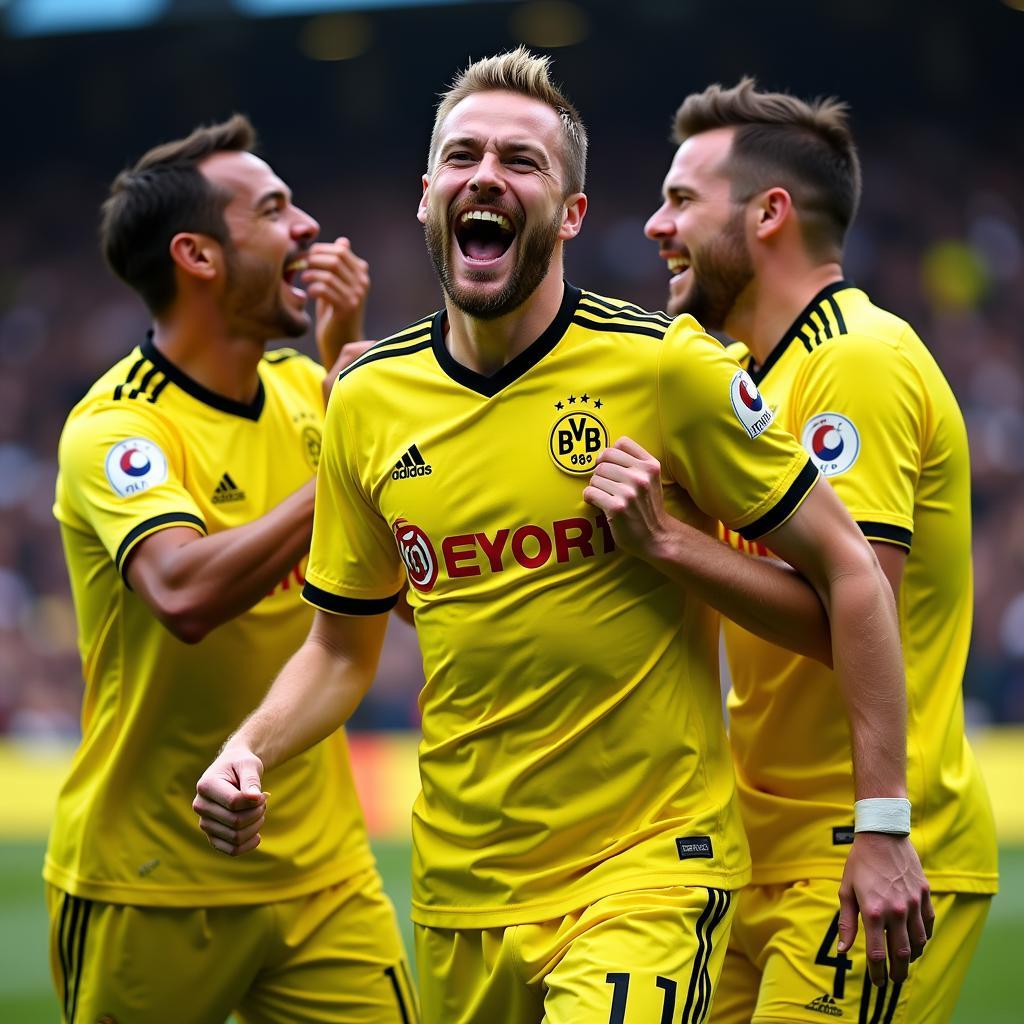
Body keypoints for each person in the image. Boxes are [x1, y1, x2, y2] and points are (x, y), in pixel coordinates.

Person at [195, 52, 927, 1024]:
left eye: (521, 160)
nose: (486, 175)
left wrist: (880, 820)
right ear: (427, 200)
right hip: (460, 892)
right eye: (462, 155)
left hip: (645, 871)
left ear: (570, 215)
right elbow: (340, 648)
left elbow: (851, 570)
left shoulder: (669, 369)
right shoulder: (366, 403)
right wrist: (250, 746)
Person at [617, 80, 998, 1022]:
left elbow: (849, 608)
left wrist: (668, 544)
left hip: (868, 851)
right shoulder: (742, 381)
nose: (657, 226)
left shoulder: (855, 357)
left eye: (681, 201)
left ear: (770, 213)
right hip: (759, 852)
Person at [47, 115, 416, 1024]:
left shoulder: (304, 393)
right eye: (276, 210)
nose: (308, 231)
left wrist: (349, 381)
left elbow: (408, 593)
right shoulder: (117, 429)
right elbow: (184, 591)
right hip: (151, 878)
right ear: (199, 256)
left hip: (325, 873)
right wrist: (347, 456)